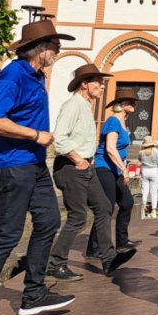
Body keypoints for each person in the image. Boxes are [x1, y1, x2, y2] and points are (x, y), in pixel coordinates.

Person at [0, 21, 77, 315]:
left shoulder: (36, 76)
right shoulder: (14, 75)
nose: (58, 50)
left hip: (34, 163)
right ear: (40, 47)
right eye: (55, 44)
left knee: (48, 220)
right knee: (7, 235)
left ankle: (33, 293)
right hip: (11, 164)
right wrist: (34, 134)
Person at [47, 64, 134, 282]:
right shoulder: (73, 105)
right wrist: (77, 159)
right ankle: (56, 263)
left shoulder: (86, 106)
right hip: (71, 166)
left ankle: (108, 256)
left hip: (87, 165)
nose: (102, 86)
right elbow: (59, 138)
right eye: (98, 82)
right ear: (85, 84)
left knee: (104, 207)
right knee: (77, 217)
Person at [89, 89, 140, 257]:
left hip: (116, 169)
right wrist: (124, 169)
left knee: (127, 202)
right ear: (121, 104)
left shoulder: (124, 124)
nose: (133, 104)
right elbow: (110, 148)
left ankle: (122, 242)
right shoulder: (112, 121)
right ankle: (94, 248)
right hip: (104, 168)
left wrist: (123, 167)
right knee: (107, 207)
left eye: (133, 101)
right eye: (129, 101)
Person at [139, 136, 158, 218]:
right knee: (154, 192)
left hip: (145, 170)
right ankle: (154, 210)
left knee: (144, 191)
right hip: (155, 171)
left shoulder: (141, 152)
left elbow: (140, 160)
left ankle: (142, 210)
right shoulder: (157, 151)